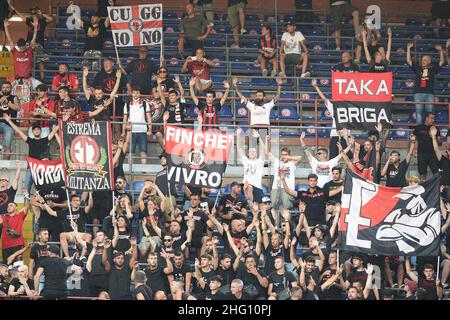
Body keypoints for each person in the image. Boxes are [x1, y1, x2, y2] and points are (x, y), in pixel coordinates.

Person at [3, 114, 58, 195]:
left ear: (40, 131)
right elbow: (18, 131)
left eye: (38, 129)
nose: (36, 131)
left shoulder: (45, 140)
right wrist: (9, 121)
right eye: (34, 130)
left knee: (44, 189)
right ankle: (26, 207)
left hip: (42, 169)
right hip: (31, 169)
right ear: (32, 132)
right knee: (26, 189)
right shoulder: (30, 140)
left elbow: (54, 131)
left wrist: (62, 121)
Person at [406, 41, 445, 124]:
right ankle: (419, 132)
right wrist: (408, 49)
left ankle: (430, 132)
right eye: (423, 59)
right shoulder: (417, 68)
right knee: (419, 114)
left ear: (429, 62)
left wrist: (441, 51)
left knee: (430, 114)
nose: (423, 61)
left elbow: (441, 62)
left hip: (429, 93)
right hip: (418, 93)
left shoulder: (432, 69)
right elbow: (409, 61)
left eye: (425, 60)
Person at [12, 5, 53, 80]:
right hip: (29, 43)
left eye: (35, 12)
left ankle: (42, 78)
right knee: (27, 59)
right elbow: (21, 16)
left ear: (37, 13)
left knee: (40, 61)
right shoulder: (29, 21)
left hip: (39, 44)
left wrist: (42, 14)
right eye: (32, 13)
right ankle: (27, 75)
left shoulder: (42, 21)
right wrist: (12, 7)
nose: (33, 14)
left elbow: (51, 19)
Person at [264, 137, 302, 209]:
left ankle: (287, 220)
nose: (284, 156)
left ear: (289, 155)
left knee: (287, 208)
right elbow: (267, 153)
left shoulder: (291, 164)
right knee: (273, 207)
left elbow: (300, 158)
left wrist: (288, 157)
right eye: (282, 154)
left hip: (288, 188)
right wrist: (267, 140)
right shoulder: (277, 162)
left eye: (286, 154)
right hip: (276, 187)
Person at [122, 86, 152, 164]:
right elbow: (125, 119)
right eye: (134, 93)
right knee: (131, 153)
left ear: (140, 94)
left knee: (143, 152)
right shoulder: (127, 104)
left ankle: (144, 170)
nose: (135, 94)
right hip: (131, 131)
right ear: (131, 94)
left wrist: (150, 129)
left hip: (142, 130)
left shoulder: (145, 104)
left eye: (137, 93)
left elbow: (149, 118)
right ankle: (130, 171)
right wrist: (123, 131)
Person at [58, 194, 93, 258]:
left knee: (89, 236)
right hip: (70, 234)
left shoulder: (82, 210)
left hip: (80, 233)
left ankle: (82, 256)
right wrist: (44, 203)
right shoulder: (66, 212)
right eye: (74, 200)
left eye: (77, 200)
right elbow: (51, 212)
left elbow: (90, 206)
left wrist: (90, 194)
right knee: (62, 235)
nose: (76, 202)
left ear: (80, 202)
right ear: (71, 202)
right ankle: (67, 256)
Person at [235, 129, 266, 203]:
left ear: (256, 153)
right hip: (246, 186)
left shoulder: (260, 161)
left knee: (258, 206)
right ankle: (251, 204)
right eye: (250, 151)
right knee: (248, 187)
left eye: (254, 151)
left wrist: (259, 138)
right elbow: (239, 147)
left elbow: (263, 149)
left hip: (257, 187)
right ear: (248, 153)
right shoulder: (246, 161)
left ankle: (251, 204)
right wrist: (238, 136)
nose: (252, 153)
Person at [413, 112, 441, 181]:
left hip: (433, 155)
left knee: (437, 174)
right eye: (431, 118)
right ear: (426, 118)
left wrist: (434, 136)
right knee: (422, 175)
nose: (433, 120)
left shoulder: (436, 128)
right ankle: (423, 191)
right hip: (421, 154)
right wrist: (414, 150)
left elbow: (440, 144)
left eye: (434, 119)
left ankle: (436, 190)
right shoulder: (418, 128)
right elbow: (415, 140)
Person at [0, 81, 20, 159]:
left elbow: (18, 108)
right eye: (4, 87)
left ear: (10, 88)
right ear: (1, 89)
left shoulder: (14, 97)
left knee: (7, 145)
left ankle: (5, 166)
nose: (5, 89)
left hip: (9, 124)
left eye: (7, 87)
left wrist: (8, 102)